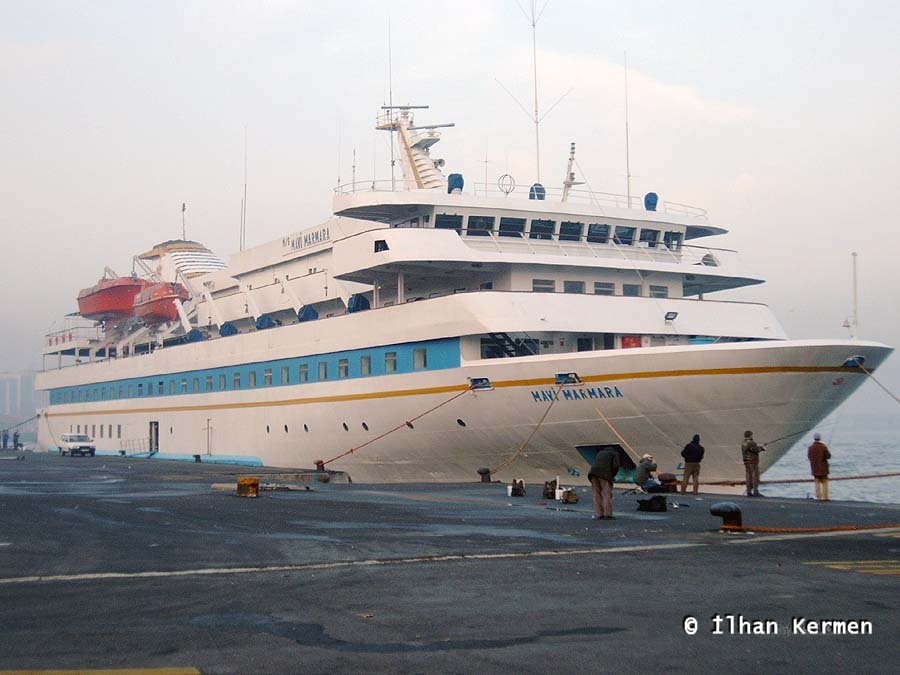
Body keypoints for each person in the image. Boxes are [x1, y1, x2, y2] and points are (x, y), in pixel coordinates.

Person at [588, 448, 620, 520]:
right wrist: (612, 475)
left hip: (592, 473)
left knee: (596, 494)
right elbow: (616, 466)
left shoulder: (600, 453)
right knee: (607, 493)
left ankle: (599, 514)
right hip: (604, 474)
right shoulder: (615, 454)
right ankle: (608, 514)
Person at [808, 432, 831, 501]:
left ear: (814, 439)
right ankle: (825, 497)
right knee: (825, 482)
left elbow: (809, 457)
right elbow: (828, 456)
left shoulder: (810, 448)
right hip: (823, 468)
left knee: (817, 482)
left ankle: (819, 497)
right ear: (820, 438)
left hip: (815, 468)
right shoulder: (823, 447)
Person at [741, 430, 764, 496]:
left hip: (746, 462)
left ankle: (748, 491)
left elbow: (750, 450)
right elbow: (755, 450)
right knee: (755, 476)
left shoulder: (743, 443)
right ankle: (755, 492)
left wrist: (759, 447)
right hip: (753, 462)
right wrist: (762, 448)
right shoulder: (752, 442)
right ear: (750, 435)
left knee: (748, 476)